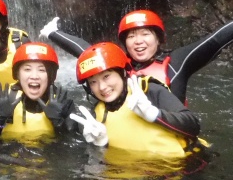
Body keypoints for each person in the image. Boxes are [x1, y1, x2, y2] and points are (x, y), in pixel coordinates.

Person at [41, 0, 233, 103]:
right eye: (131, 37)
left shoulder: (177, 62)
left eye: (145, 34)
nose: (138, 41)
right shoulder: (118, 64)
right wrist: (53, 33)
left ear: (158, 39)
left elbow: (215, 41)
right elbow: (85, 51)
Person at [69, 42, 201, 158]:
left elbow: (194, 126)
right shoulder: (96, 116)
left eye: (106, 76)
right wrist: (101, 145)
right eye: (93, 82)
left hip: (186, 164)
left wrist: (155, 115)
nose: (102, 87)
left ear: (122, 73)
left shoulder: (148, 90)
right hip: (142, 174)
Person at [0, 42, 76, 141]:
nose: (34, 76)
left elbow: (73, 146)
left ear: (51, 75)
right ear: (17, 74)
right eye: (27, 69)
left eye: (41, 70)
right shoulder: (7, 99)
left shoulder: (63, 103)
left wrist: (58, 123)